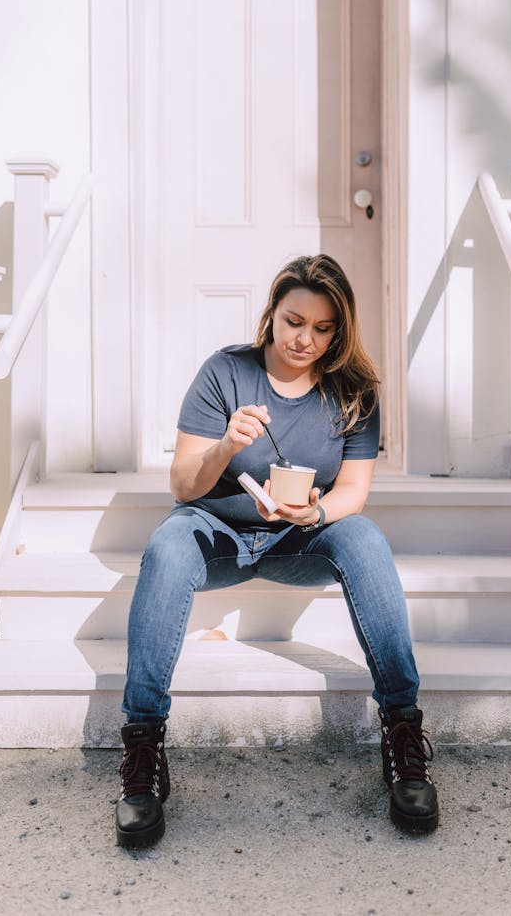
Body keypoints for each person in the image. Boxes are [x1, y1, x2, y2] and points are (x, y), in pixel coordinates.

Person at [115, 254, 438, 847]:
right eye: (294, 322)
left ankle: (402, 735)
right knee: (166, 544)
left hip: (300, 536)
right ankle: (141, 748)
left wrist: (311, 513)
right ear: (272, 314)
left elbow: (354, 494)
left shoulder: (355, 391)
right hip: (217, 529)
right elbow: (183, 486)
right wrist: (223, 446)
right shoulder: (226, 371)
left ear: (339, 331)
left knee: (365, 538)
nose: (304, 340)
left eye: (322, 329)